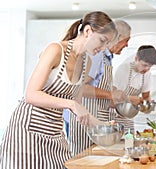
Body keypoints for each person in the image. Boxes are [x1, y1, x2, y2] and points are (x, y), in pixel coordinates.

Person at [0, 11, 117, 168]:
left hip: (54, 132)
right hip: (27, 132)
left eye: (107, 44)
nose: (103, 48)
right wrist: (70, 104)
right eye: (102, 41)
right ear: (88, 31)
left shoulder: (86, 63)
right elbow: (31, 94)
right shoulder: (55, 50)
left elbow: (78, 107)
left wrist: (102, 126)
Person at [68, 20, 131, 156]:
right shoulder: (95, 55)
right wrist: (110, 95)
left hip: (97, 119)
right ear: (117, 37)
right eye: (126, 40)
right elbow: (80, 88)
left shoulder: (107, 58)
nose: (127, 44)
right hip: (84, 120)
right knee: (84, 160)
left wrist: (115, 93)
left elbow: (97, 84)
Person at [113, 45, 156, 132]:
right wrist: (129, 99)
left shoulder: (147, 74)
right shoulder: (123, 70)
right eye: (144, 65)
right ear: (136, 58)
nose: (146, 69)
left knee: (129, 142)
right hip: (116, 116)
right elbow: (113, 97)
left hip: (129, 116)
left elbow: (146, 97)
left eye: (150, 66)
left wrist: (147, 106)